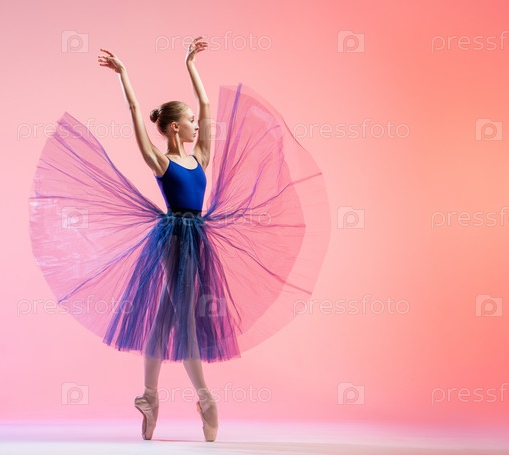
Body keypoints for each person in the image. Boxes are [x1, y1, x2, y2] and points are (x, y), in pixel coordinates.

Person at [29, 36, 330, 443]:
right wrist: (123, 75)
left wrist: (190, 65)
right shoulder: (161, 161)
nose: (196, 123)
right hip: (173, 239)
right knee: (184, 317)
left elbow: (205, 106)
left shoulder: (200, 156)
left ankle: (149, 397)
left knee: (165, 318)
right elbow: (135, 113)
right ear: (174, 128)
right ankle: (205, 398)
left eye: (194, 120)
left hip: (200, 238)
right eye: (188, 120)